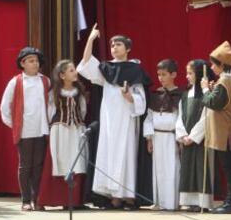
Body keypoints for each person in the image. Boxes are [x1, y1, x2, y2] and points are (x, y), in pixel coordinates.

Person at [77, 24, 150, 210]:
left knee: (126, 154)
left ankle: (128, 197)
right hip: (109, 119)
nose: (114, 48)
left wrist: (130, 97)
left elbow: (141, 97)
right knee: (109, 154)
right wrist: (91, 39)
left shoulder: (135, 69)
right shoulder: (106, 68)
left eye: (118, 44)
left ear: (128, 48)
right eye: (112, 45)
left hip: (126, 118)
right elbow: (85, 64)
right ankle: (114, 197)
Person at [0, 47, 50, 211]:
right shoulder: (16, 81)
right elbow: (4, 107)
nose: (34, 64)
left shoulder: (45, 81)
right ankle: (25, 200)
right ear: (22, 64)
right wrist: (14, 126)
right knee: (25, 165)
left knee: (39, 165)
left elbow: (51, 104)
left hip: (42, 128)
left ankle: (38, 199)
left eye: (36, 60)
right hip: (25, 130)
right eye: (30, 61)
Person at [38, 60, 88, 208]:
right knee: (61, 161)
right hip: (60, 131)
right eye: (71, 70)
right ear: (62, 75)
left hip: (77, 130)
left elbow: (82, 110)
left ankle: (74, 201)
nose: (75, 72)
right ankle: (58, 199)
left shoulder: (79, 91)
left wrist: (78, 124)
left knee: (77, 162)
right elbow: (50, 113)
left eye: (74, 70)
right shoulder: (54, 93)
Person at [201, 41, 231, 214]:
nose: (212, 67)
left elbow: (213, 103)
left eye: (214, 64)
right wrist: (212, 90)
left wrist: (205, 90)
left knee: (228, 168)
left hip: (224, 132)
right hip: (229, 130)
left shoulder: (224, 81)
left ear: (222, 65)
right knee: (229, 167)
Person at [176, 59, 215, 212]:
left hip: (200, 140)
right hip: (187, 139)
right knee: (187, 170)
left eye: (190, 73)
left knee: (201, 168)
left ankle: (203, 202)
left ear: (199, 75)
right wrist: (183, 135)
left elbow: (207, 116)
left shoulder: (206, 94)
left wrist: (193, 136)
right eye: (187, 73)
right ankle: (189, 201)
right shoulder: (185, 95)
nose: (187, 76)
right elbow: (180, 117)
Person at [143, 59, 182, 210]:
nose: (160, 78)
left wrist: (179, 138)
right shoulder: (156, 94)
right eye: (158, 75)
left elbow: (181, 118)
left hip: (171, 137)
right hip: (157, 137)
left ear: (173, 75)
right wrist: (149, 138)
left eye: (164, 74)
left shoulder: (180, 94)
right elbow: (149, 118)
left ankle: (172, 202)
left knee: (172, 169)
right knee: (158, 170)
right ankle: (159, 202)